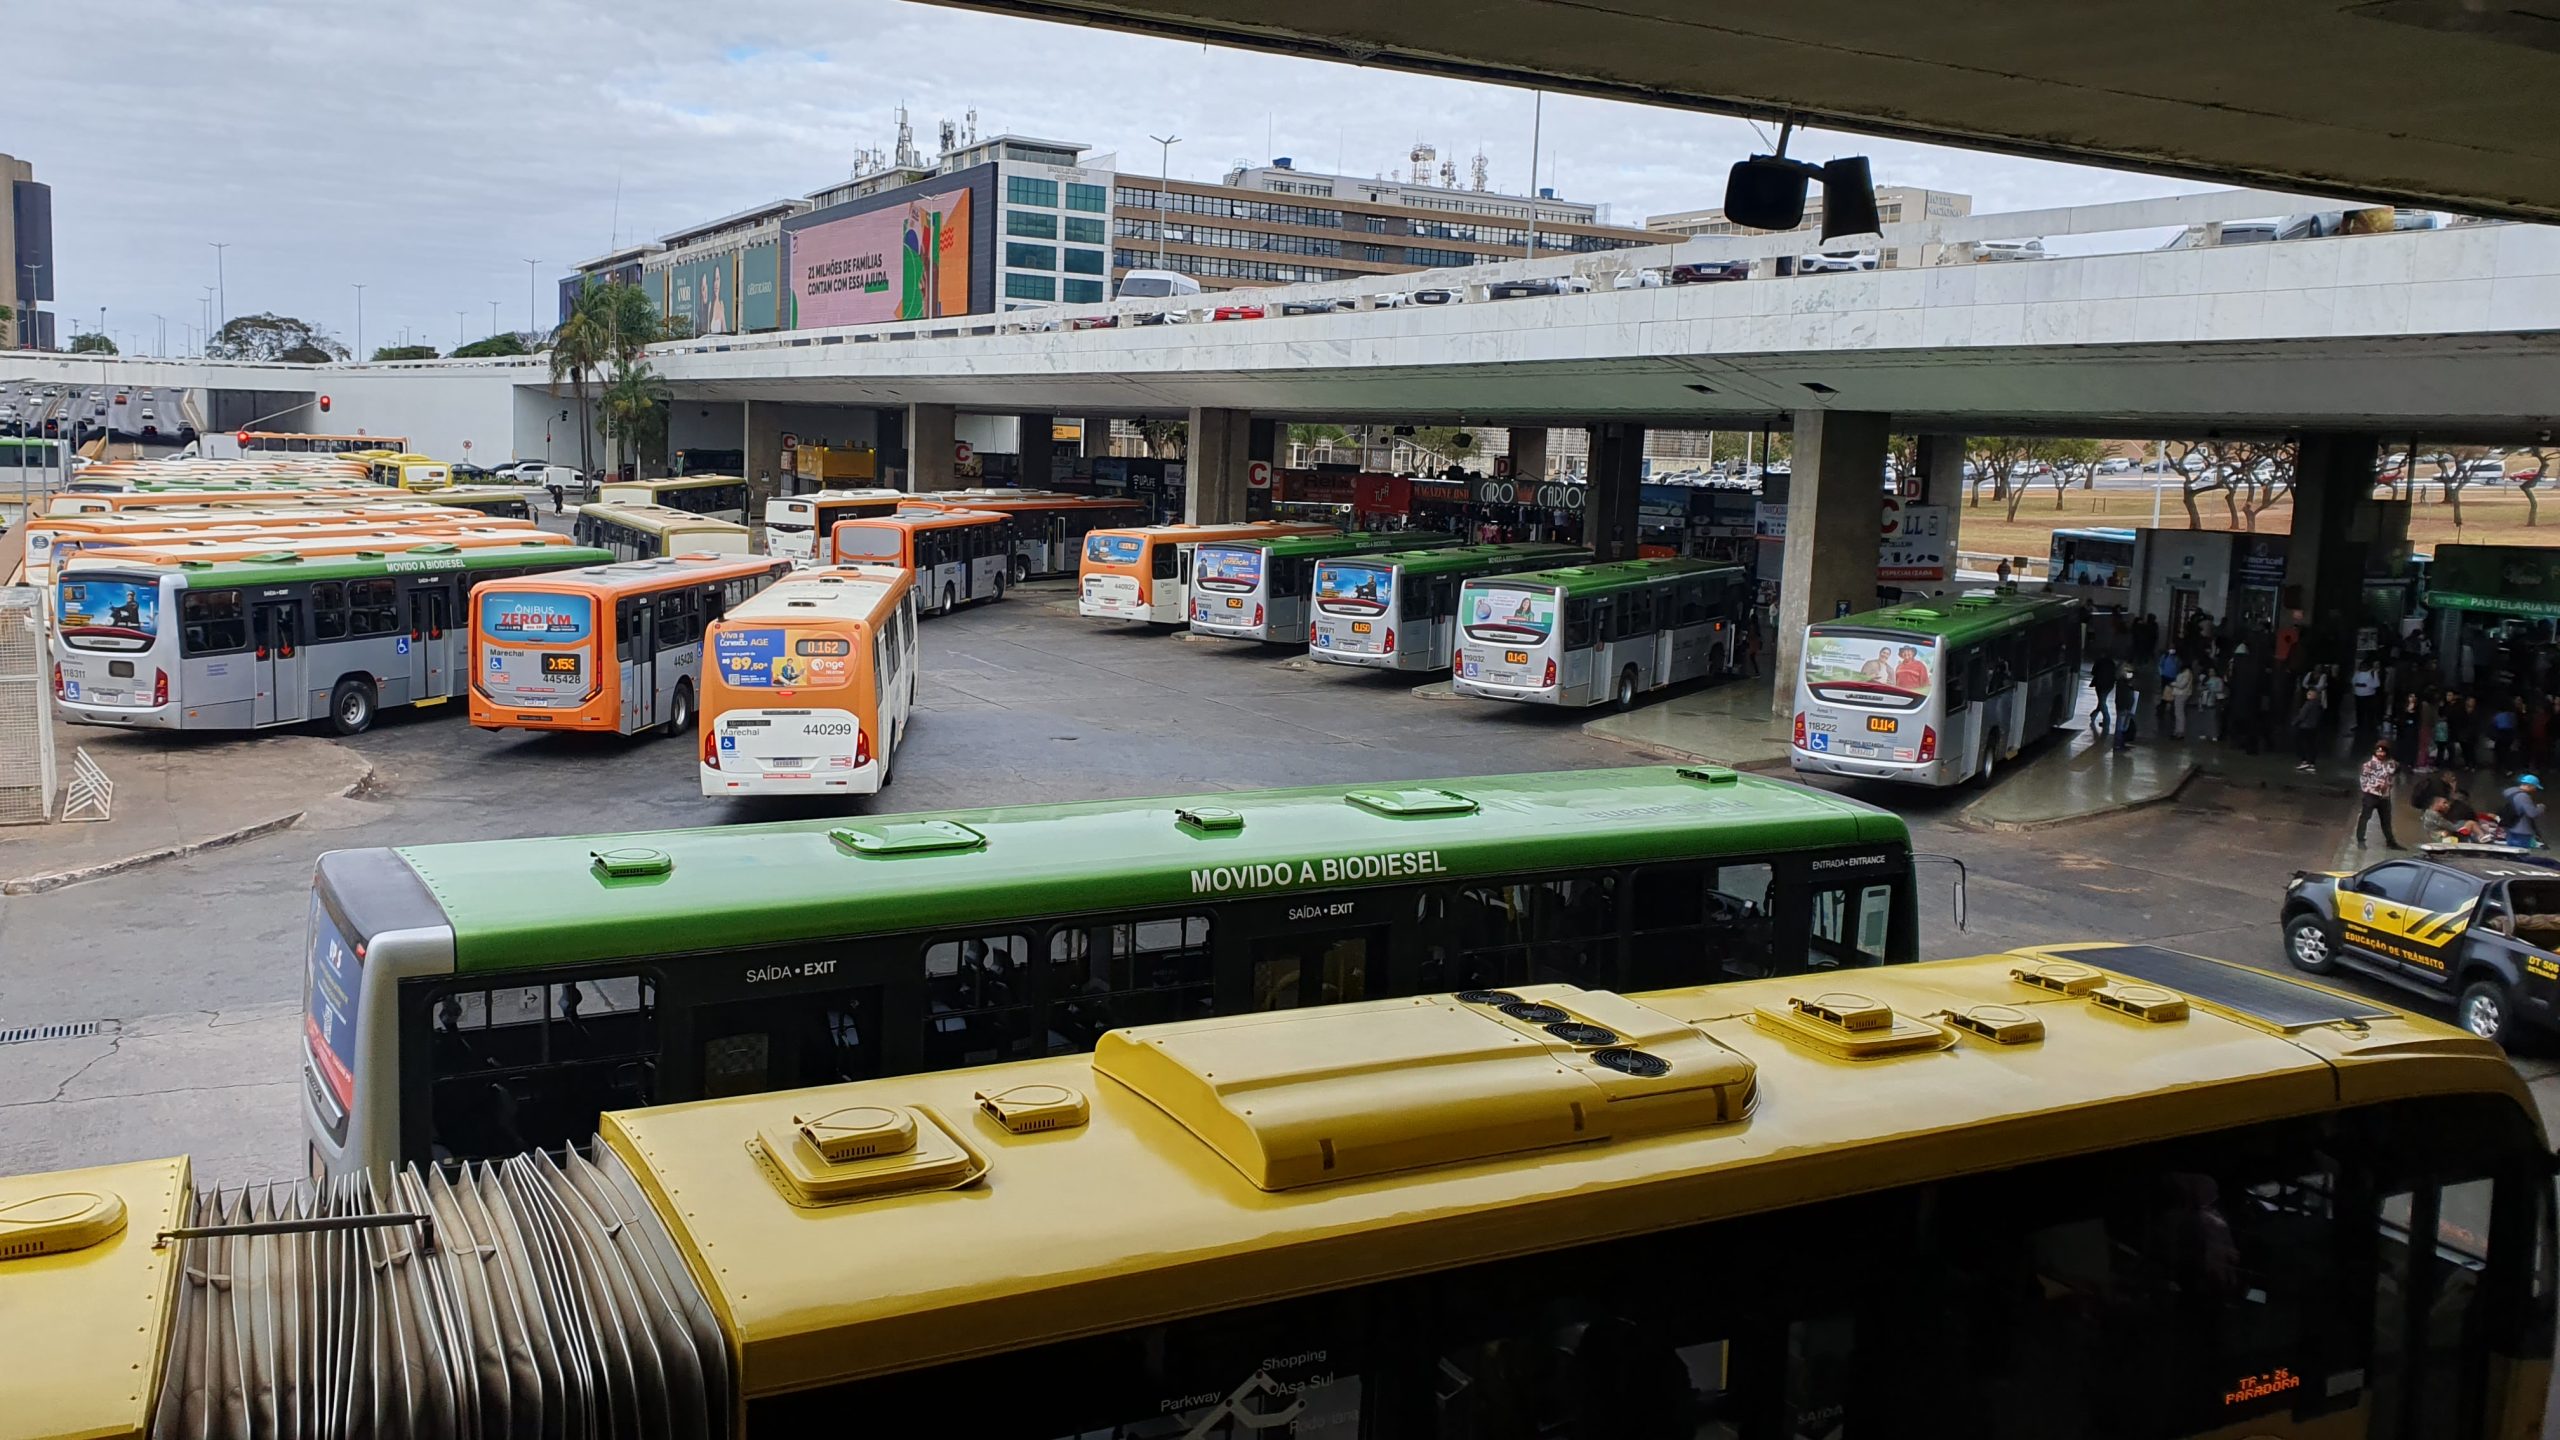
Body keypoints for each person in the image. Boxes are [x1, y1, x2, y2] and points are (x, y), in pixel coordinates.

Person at [2356, 743, 2404, 849]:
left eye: (2383, 752)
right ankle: (2360, 840)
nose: (2381, 754)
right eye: (2378, 751)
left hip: (2385, 796)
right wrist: (2374, 787)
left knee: (2386, 820)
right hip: (2371, 795)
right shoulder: (2369, 765)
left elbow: (2395, 771)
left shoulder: (2391, 764)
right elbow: (2363, 780)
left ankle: (2390, 842)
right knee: (2365, 817)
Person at [2291, 684, 2326, 772]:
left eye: (2309, 694)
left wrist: (2294, 723)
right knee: (2312, 746)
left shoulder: (2308, 704)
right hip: (2314, 728)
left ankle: (2304, 762)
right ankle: (2311, 764)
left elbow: (2302, 716)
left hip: (2305, 727)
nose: (2307, 695)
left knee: (2303, 745)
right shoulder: (2319, 705)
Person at [2504, 775, 2545, 849]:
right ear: (2530, 786)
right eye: (2535, 787)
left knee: (2511, 852)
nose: (2535, 790)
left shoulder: (2509, 793)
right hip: (2522, 830)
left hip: (2510, 827)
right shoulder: (2523, 796)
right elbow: (2532, 814)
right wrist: (2540, 808)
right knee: (2521, 854)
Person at [2089, 652, 2118, 738]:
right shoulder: (2112, 663)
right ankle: (2094, 715)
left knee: (2102, 701)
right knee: (2102, 700)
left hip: (2100, 684)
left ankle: (2106, 720)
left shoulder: (2099, 661)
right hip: (2109, 685)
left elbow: (2093, 672)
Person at [2351, 657, 2382, 735]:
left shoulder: (2372, 673)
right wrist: (2360, 685)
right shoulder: (2357, 673)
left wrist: (2366, 685)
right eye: (2362, 665)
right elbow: (2353, 681)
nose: (2363, 667)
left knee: (2369, 712)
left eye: (2364, 665)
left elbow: (2377, 684)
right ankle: (2360, 726)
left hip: (2369, 696)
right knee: (2359, 712)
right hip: (2358, 695)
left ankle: (2371, 727)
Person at [2165, 661, 2195, 740]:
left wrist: (2173, 684)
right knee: (2179, 713)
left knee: (2179, 713)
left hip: (2181, 694)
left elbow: (2181, 685)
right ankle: (2178, 731)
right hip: (2182, 694)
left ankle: (2179, 732)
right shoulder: (2187, 673)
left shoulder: (2186, 674)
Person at [2113, 666, 2140, 753]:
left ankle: (2120, 744)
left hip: (2126, 707)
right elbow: (2123, 696)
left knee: (2123, 727)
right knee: (2120, 728)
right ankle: (2118, 745)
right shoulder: (2123, 683)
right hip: (2123, 707)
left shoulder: (2127, 683)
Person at [2198, 664, 2226, 741]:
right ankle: (2205, 733)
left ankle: (2214, 734)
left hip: (2214, 700)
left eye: (2212, 671)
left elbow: (2220, 689)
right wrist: (2204, 688)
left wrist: (2211, 689)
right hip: (2204, 699)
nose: (2211, 673)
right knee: (2205, 718)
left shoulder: (2218, 680)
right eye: (2210, 671)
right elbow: (2199, 687)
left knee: (2213, 718)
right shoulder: (2205, 679)